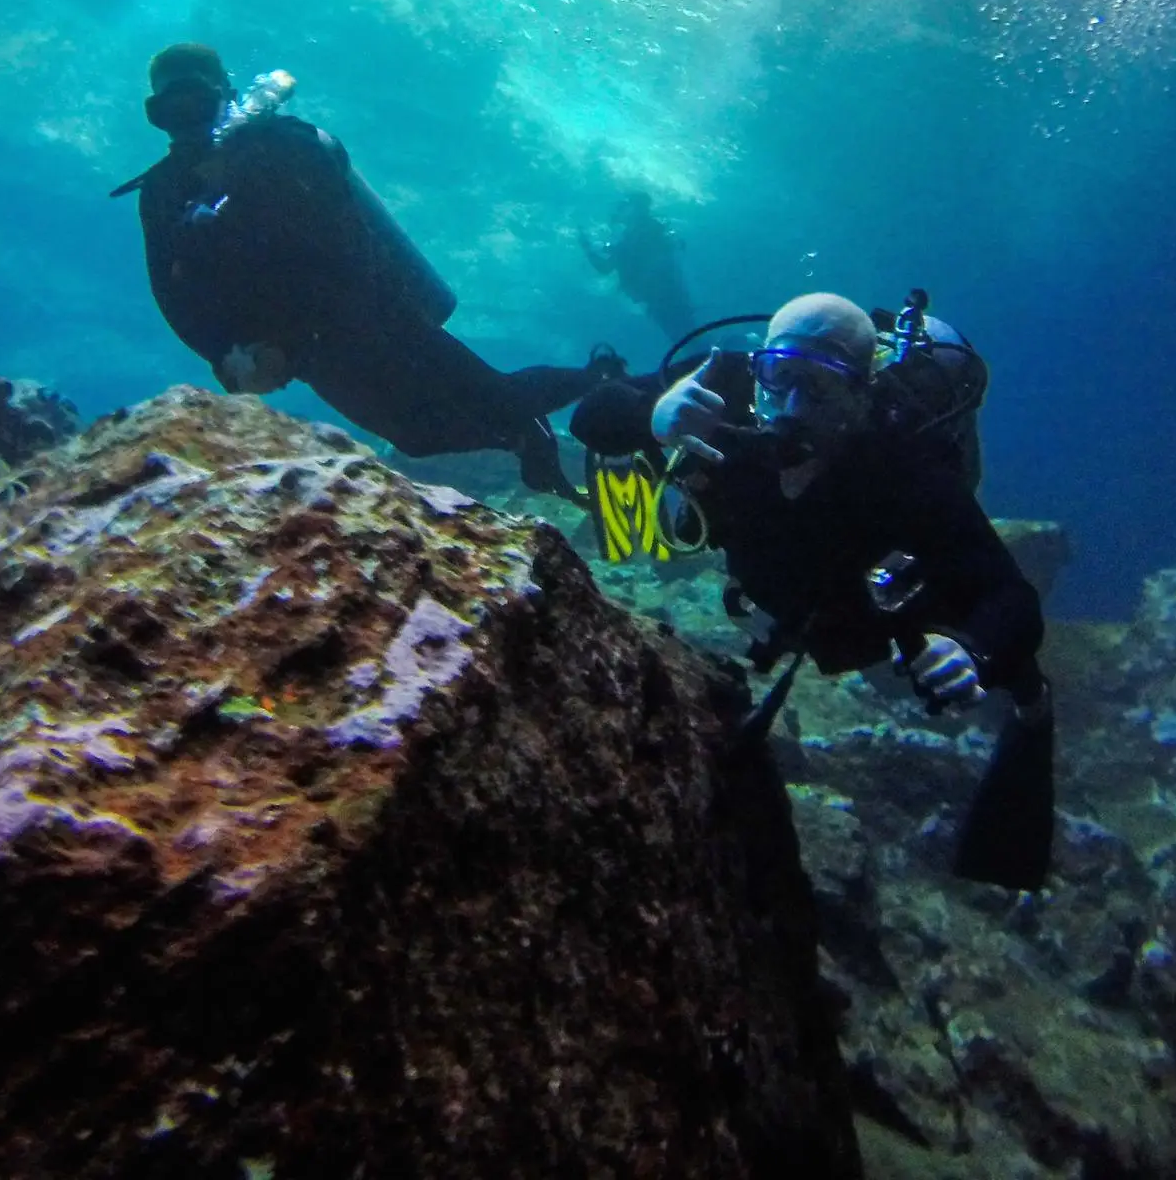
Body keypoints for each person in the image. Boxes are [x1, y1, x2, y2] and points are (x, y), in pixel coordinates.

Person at [647, 291, 1052, 889]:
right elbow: (594, 413)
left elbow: (1010, 597)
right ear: (759, 367)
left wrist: (975, 650)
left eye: (823, 386)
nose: (793, 404)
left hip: (871, 601)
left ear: (862, 393)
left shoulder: (904, 469)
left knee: (991, 650)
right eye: (780, 376)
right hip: (785, 597)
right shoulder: (722, 394)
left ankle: (1035, 709)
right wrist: (655, 416)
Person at [122, 43, 620, 495]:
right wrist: (228, 358)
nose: (185, 122)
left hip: (381, 318)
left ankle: (603, 381)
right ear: (155, 116)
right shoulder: (163, 192)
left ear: (225, 94)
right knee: (419, 440)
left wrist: (282, 338)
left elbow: (345, 244)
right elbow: (171, 291)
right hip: (304, 352)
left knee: (498, 399)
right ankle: (526, 436)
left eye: (196, 101)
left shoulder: (284, 145)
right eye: (169, 110)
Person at [578, 190, 694, 342]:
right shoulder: (646, 231)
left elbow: (605, 267)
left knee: (683, 337)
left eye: (624, 205)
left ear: (635, 209)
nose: (619, 209)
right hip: (665, 297)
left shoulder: (642, 234)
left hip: (662, 298)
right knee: (686, 335)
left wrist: (587, 248)